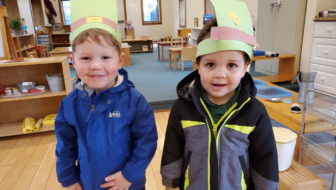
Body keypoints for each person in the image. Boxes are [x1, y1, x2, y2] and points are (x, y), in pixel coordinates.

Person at [160, 0, 279, 189]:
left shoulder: (255, 112)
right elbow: (173, 149)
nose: (220, 74)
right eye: (210, 64)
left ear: (245, 68)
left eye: (232, 65)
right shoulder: (183, 108)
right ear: (197, 65)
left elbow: (266, 158)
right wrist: (170, 183)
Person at [55, 0, 157, 190]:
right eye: (85, 58)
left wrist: (130, 175)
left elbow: (146, 142)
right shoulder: (70, 104)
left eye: (105, 57)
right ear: (73, 62)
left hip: (128, 185)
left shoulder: (135, 102)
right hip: (89, 183)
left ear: (120, 60)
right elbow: (65, 146)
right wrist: (68, 178)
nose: (95, 65)